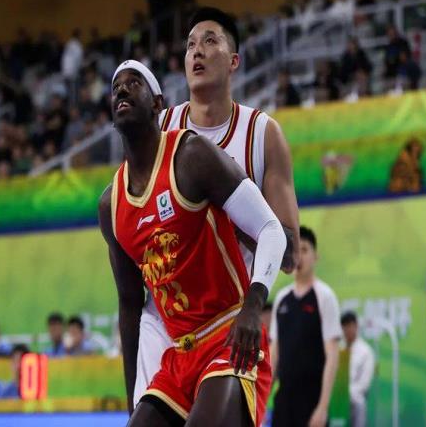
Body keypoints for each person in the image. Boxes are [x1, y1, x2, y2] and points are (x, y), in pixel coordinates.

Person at [99, 60, 287, 426]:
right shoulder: (112, 205)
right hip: (180, 355)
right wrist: (133, 399)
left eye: (133, 82)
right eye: (116, 86)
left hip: (231, 337)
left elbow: (271, 230)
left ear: (157, 104)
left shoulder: (191, 156)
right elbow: (129, 305)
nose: (121, 88)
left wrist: (253, 307)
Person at [136, 6, 300, 408]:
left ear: (233, 61)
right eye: (190, 44)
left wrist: (222, 203)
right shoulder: (161, 129)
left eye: (210, 41)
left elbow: (290, 253)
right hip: (166, 322)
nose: (197, 51)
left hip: (230, 319)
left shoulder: (262, 134)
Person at [270, 226, 341, 427]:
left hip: (312, 401)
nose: (299, 256)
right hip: (284, 401)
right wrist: (262, 398)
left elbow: (332, 356)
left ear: (315, 256)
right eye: (295, 250)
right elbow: (274, 354)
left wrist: (322, 407)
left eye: (304, 250)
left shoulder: (325, 297)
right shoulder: (282, 299)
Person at [341, 311, 375, 427]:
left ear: (356, 326)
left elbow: (364, 384)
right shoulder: (338, 349)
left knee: (359, 403)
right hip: (337, 399)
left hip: (355, 399)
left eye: (350, 326)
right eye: (344, 327)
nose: (347, 330)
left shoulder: (366, 351)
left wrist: (346, 393)